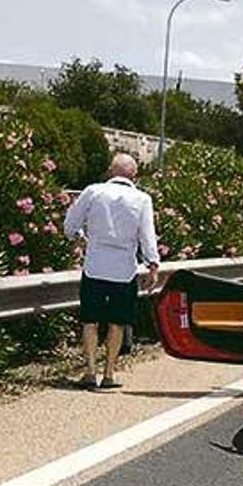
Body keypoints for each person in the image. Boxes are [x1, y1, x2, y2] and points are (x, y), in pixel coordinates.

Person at [64, 153, 160, 389]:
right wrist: (153, 264)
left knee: (90, 320)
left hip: (95, 265)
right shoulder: (142, 199)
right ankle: (108, 374)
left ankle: (89, 371)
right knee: (118, 322)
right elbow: (147, 236)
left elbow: (71, 224)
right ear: (134, 175)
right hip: (124, 269)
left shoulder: (93, 191)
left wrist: (81, 238)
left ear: (110, 171)